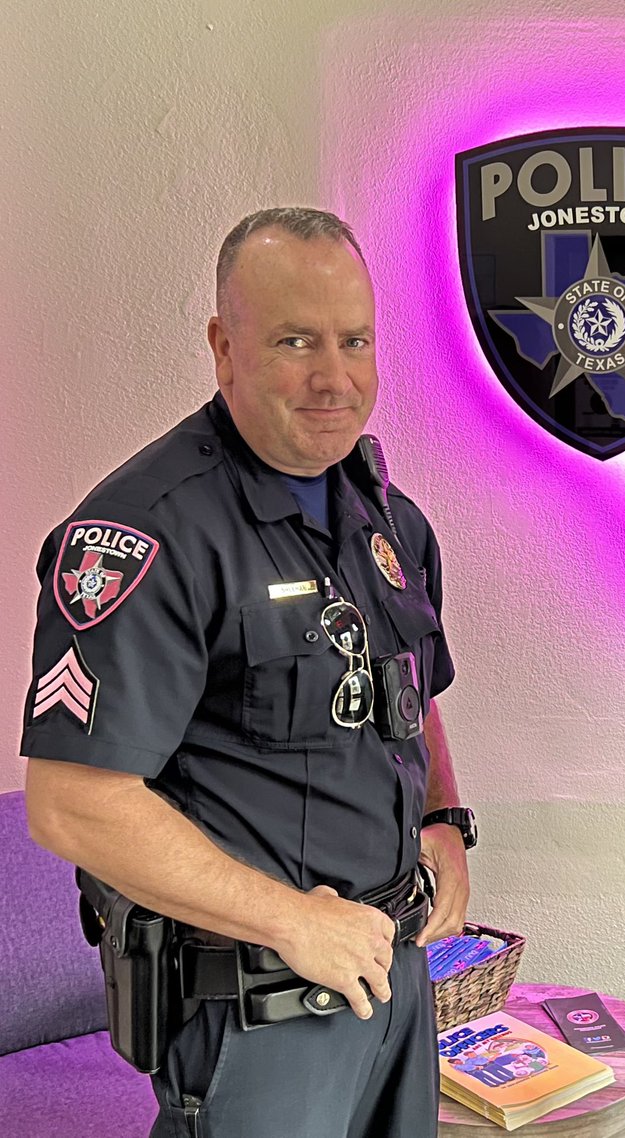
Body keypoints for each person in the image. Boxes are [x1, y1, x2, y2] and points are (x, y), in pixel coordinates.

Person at [22, 207, 478, 1138]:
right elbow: (73, 801)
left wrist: (444, 819)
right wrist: (292, 922)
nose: (334, 377)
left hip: (388, 979)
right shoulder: (149, 534)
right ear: (223, 348)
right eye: (294, 341)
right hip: (256, 1012)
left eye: (355, 340)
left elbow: (407, 689)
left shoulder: (388, 519)